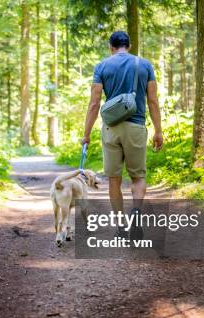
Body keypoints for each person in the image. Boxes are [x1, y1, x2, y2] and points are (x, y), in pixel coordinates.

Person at [81, 31, 163, 239]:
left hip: (111, 129)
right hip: (136, 127)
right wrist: (158, 130)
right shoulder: (145, 65)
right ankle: (136, 211)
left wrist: (86, 134)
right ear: (130, 45)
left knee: (114, 180)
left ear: (111, 46)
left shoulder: (102, 66)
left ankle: (120, 226)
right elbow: (153, 101)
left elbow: (94, 102)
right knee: (138, 177)